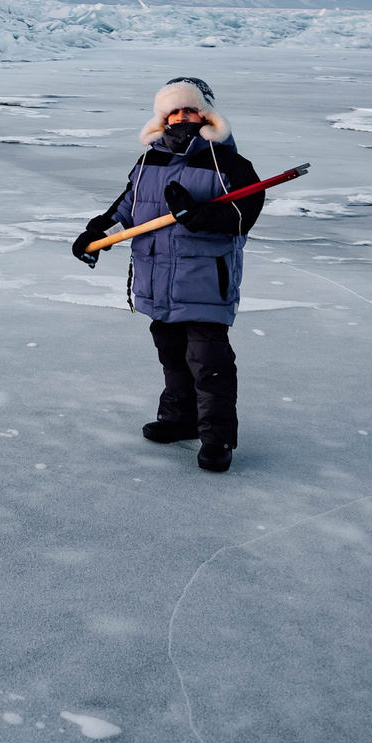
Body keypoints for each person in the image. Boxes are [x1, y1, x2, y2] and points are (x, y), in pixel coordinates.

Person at [71, 76, 266, 473]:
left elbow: (243, 216)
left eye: (189, 109)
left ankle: (217, 439)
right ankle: (180, 420)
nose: (181, 117)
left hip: (204, 282)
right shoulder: (150, 160)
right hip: (157, 279)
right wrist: (97, 234)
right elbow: (125, 210)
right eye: (172, 111)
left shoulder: (229, 163)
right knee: (172, 355)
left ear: (207, 113)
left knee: (208, 362)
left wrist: (199, 214)